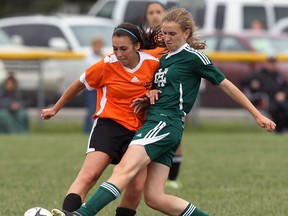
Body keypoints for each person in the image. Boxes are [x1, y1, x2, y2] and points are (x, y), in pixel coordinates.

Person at [51, 7, 276, 216]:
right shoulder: (164, 60)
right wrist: (148, 98)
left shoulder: (193, 57)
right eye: (164, 33)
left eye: (172, 34)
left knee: (122, 171)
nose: (166, 38)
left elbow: (226, 84)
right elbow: (165, 90)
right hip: (160, 123)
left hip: (164, 123)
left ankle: (80, 214)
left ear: (186, 33)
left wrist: (256, 114)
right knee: (155, 198)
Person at [41, 23, 160, 216]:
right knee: (89, 175)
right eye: (114, 48)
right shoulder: (107, 65)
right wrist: (56, 108)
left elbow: (164, 88)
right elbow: (78, 84)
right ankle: (66, 213)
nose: (118, 54)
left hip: (140, 131)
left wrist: (153, 93)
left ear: (137, 46)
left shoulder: (152, 64)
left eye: (124, 49)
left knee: (137, 186)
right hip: (109, 125)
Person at [144, 1, 183, 189]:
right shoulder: (142, 41)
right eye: (151, 12)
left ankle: (173, 179)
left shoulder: (173, 42)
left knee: (176, 137)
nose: (154, 15)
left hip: (170, 98)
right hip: (145, 97)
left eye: (158, 11)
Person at [240, 56, 288, 133]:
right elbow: (242, 81)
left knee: (284, 108)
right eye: (270, 63)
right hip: (264, 100)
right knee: (274, 108)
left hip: (279, 100)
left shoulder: (279, 75)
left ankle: (284, 129)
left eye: (274, 63)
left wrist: (283, 94)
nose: (272, 65)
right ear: (266, 64)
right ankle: (279, 130)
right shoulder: (259, 75)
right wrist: (252, 84)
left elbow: (286, 87)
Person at [83, 37, 105, 133]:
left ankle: (98, 129)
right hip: (92, 88)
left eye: (100, 45)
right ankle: (87, 129)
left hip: (102, 87)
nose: (98, 47)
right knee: (91, 108)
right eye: (96, 45)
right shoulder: (89, 58)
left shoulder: (104, 58)